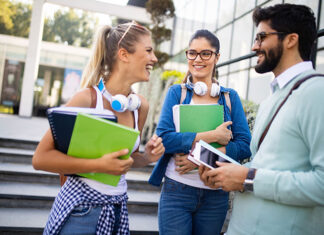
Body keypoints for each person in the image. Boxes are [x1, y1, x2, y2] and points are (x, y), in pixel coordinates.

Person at [199, 3, 324, 235]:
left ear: (290, 40)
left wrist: (248, 178)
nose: (255, 46)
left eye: (262, 37)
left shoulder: (317, 92)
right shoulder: (272, 99)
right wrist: (228, 174)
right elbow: (265, 167)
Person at [32, 21, 165, 235]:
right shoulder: (85, 100)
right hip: (79, 211)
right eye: (148, 51)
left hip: (117, 211)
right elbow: (40, 158)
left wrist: (148, 157)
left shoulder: (140, 106)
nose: (154, 58)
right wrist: (98, 165)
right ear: (124, 54)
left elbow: (126, 161)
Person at [149, 29, 251, 235]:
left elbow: (244, 146)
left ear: (217, 57)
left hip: (215, 196)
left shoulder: (230, 97)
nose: (198, 59)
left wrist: (198, 159)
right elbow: (164, 139)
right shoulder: (177, 93)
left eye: (205, 53)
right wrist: (213, 137)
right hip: (177, 191)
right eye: (192, 53)